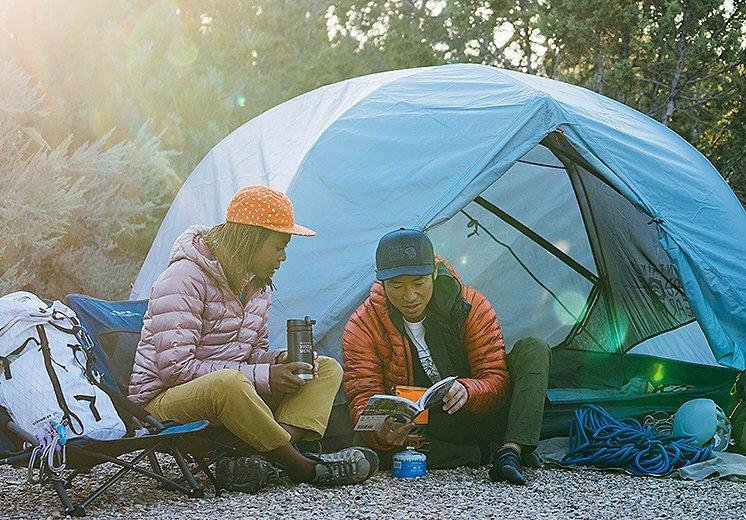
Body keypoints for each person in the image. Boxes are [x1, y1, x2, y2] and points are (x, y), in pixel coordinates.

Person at [129, 185, 378, 492]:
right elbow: (176, 369)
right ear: (250, 238)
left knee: (324, 368)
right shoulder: (184, 278)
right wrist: (264, 376)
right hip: (163, 402)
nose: (284, 257)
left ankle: (258, 457)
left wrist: (278, 362)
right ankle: (302, 467)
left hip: (229, 393)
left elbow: (251, 353)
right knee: (228, 384)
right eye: (278, 246)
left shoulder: (258, 287)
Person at [342, 228, 550, 484]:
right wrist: (383, 433)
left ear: (434, 272)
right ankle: (480, 454)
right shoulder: (363, 326)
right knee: (367, 446)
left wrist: (469, 389)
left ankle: (511, 450)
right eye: (397, 285)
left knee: (534, 349)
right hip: (425, 429)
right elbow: (362, 398)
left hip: (481, 414)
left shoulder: (471, 305)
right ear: (381, 283)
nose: (409, 296)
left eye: (418, 283)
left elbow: (497, 379)